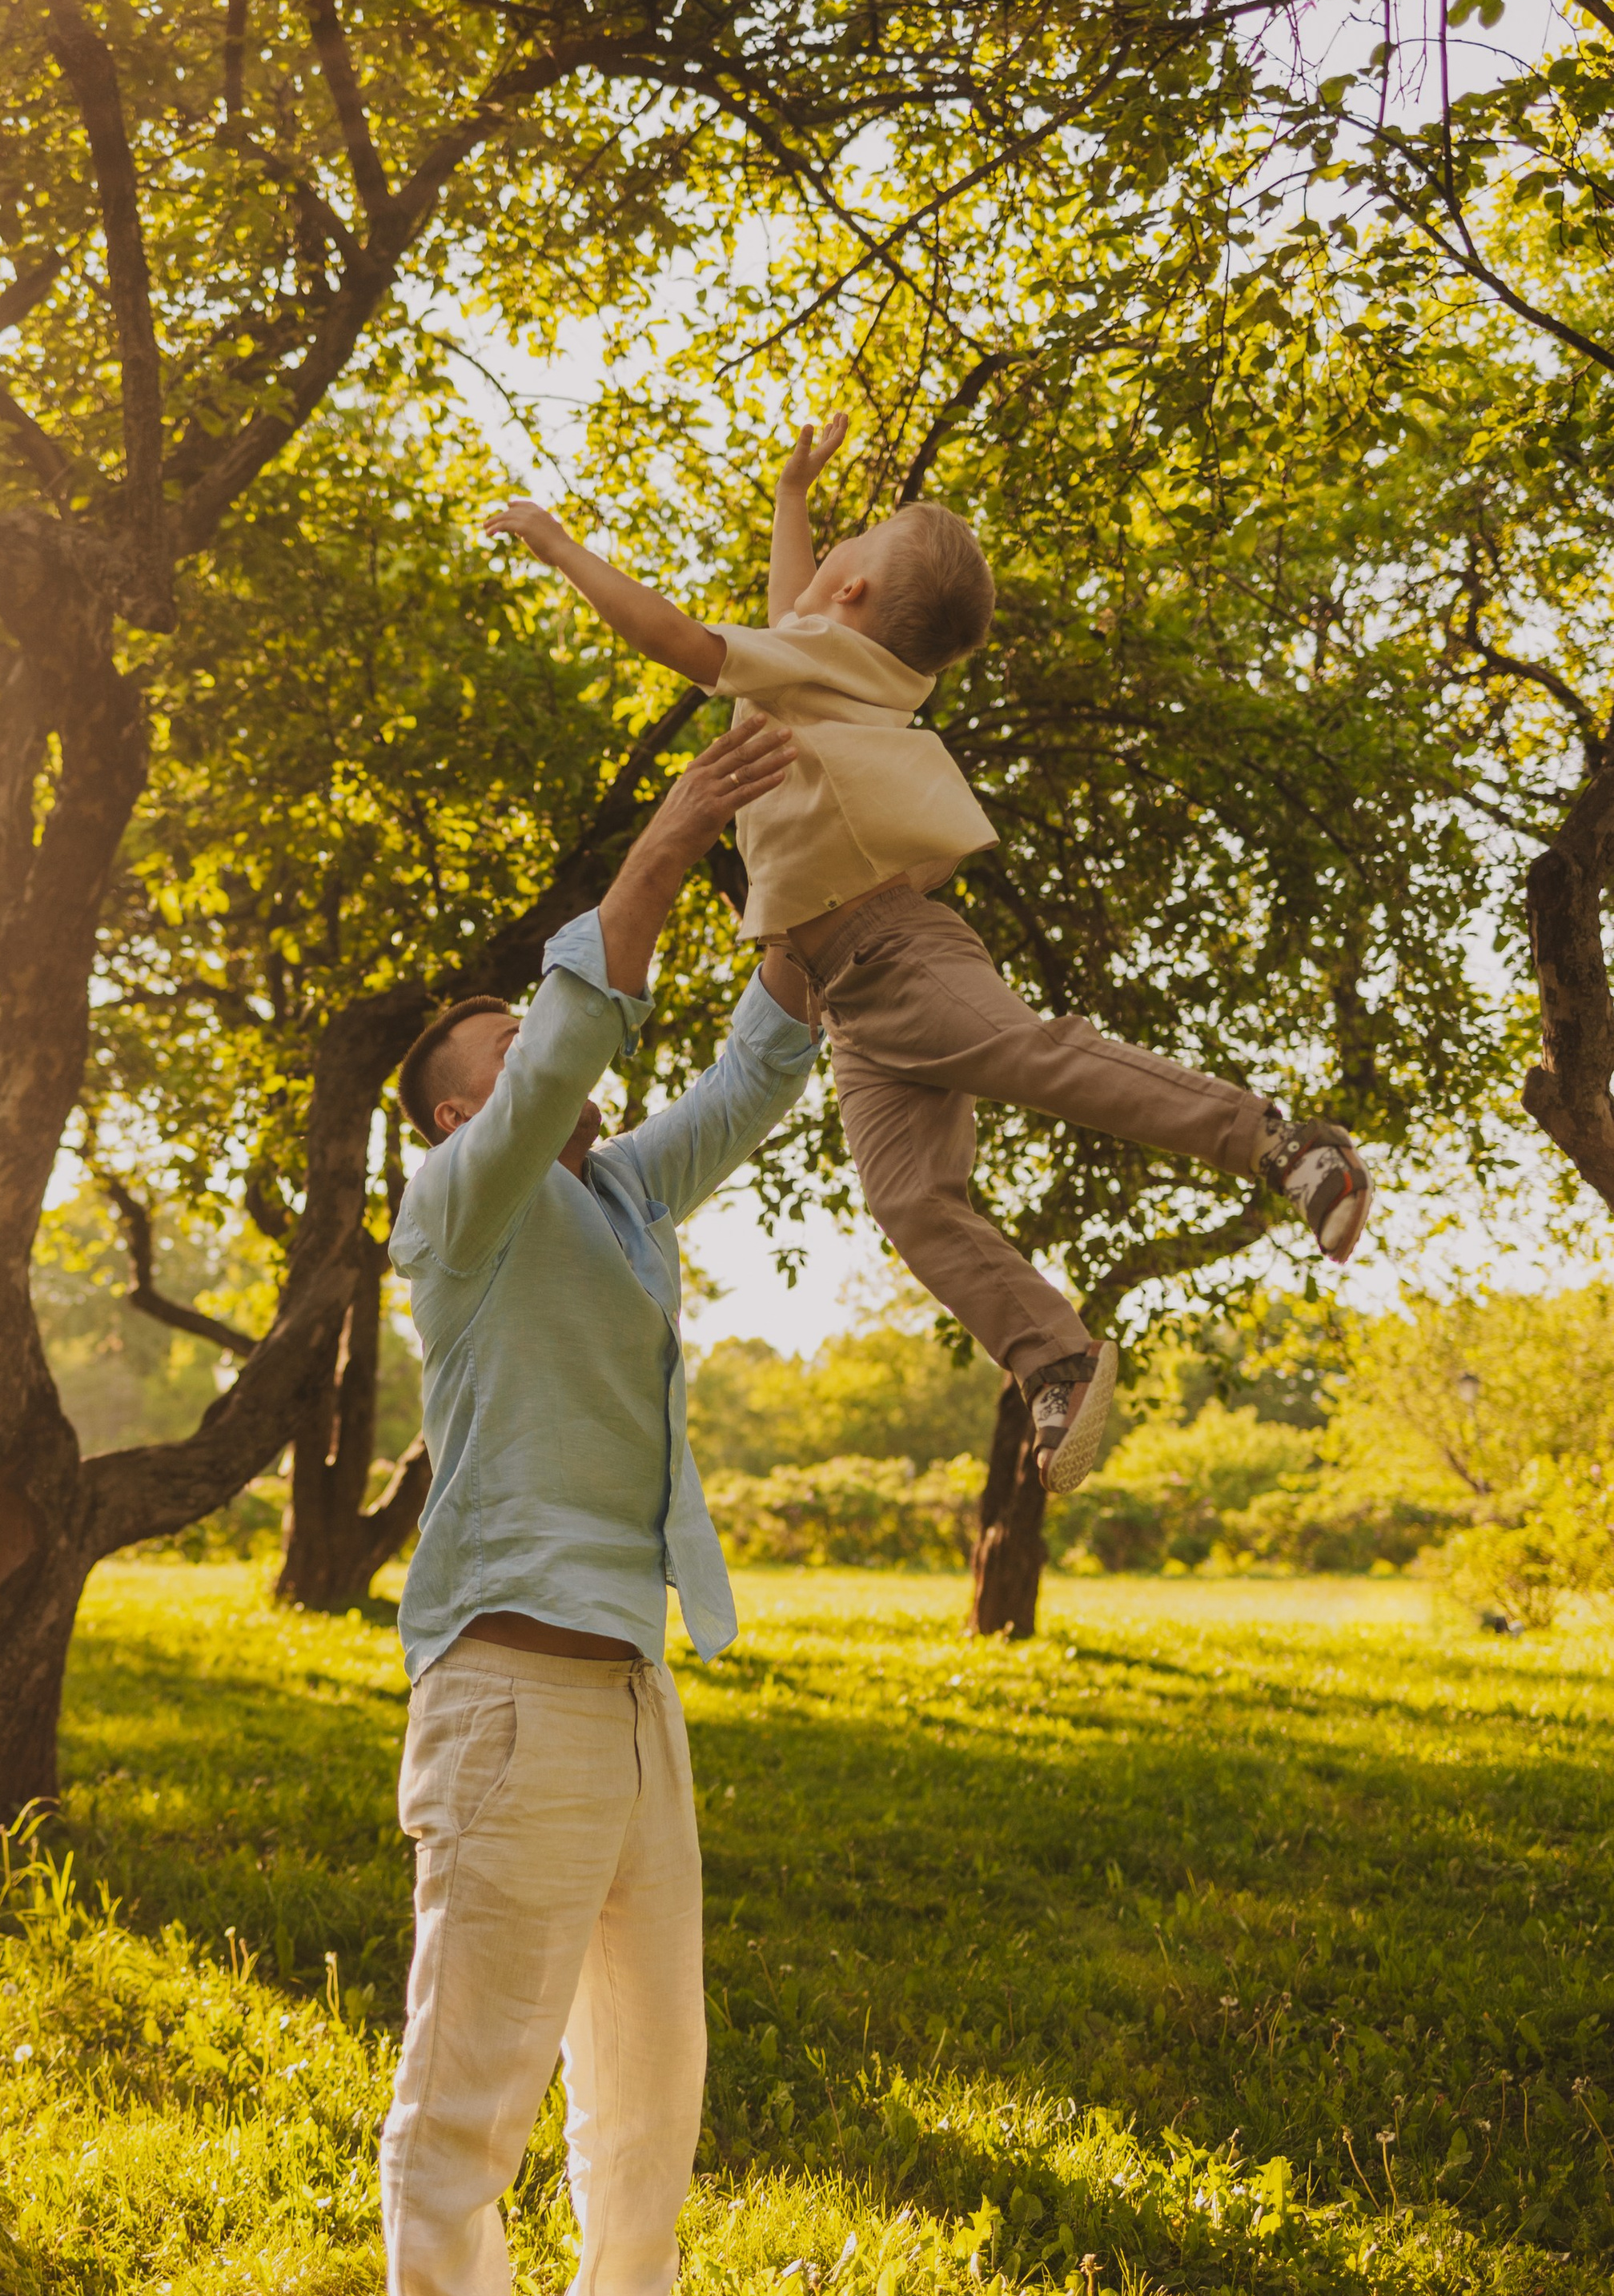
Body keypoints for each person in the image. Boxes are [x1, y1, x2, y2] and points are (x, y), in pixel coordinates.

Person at [485, 423, 1375, 1494]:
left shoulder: (819, 663)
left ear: (850, 593)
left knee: (1035, 1056)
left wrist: (559, 544)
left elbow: (671, 633)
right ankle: (1053, 1356)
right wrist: (789, 497)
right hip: (847, 1000)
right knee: (909, 1199)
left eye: (837, 549)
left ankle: (1281, 1146)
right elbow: (791, 609)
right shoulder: (830, 665)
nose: (812, 573)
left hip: (895, 951)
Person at [382, 712, 819, 2296]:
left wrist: (811, 854)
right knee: (467, 2092)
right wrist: (665, 842)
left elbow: (758, 1071)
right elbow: (586, 1019)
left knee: (653, 2069)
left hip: (627, 1691)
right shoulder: (456, 1208)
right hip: (504, 1688)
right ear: (462, 1111)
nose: (552, 1052)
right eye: (513, 1050)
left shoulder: (618, 1198)